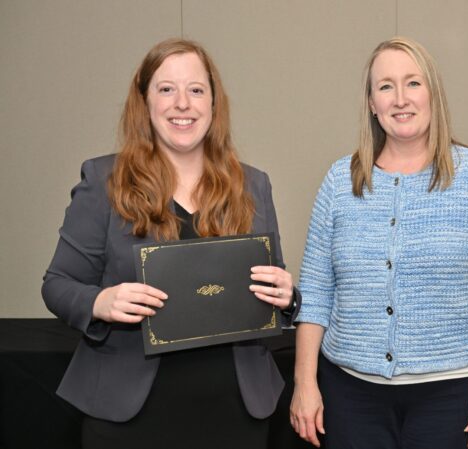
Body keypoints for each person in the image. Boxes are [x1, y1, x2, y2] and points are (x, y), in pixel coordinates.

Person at [41, 38, 299, 449]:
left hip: (234, 414)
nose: (183, 103)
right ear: (144, 102)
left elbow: (272, 286)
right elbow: (57, 283)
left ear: (214, 104)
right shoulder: (104, 181)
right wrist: (99, 303)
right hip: (128, 418)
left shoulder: (253, 185)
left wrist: (288, 297)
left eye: (196, 90)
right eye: (166, 89)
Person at [290, 36, 468, 449]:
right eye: (386, 86)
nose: (401, 99)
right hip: (349, 394)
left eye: (413, 83)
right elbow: (315, 291)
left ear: (433, 93)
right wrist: (304, 383)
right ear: (371, 102)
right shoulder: (339, 181)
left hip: (454, 394)